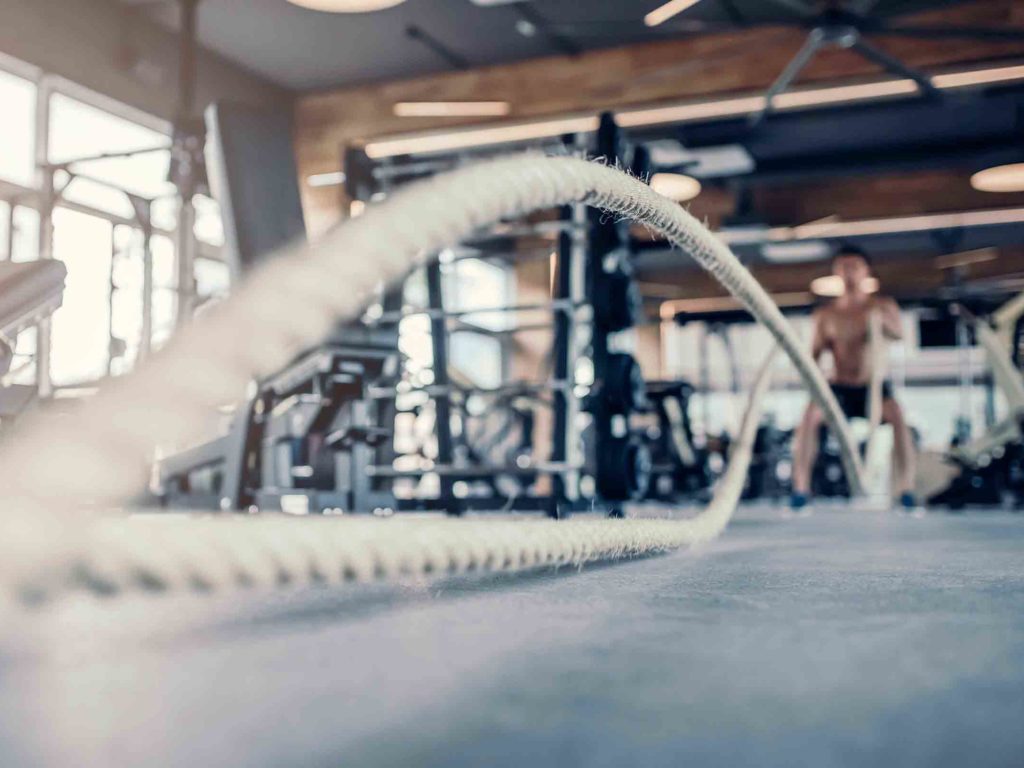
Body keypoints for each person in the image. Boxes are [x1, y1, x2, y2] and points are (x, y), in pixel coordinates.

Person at [790, 246, 917, 510]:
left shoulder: (882, 306)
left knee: (898, 416)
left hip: (873, 386)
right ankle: (800, 489)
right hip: (839, 387)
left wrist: (881, 322)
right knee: (809, 417)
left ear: (866, 272)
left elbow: (899, 336)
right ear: (836, 272)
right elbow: (813, 355)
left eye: (854, 267)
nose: (849, 273)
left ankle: (906, 488)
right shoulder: (826, 315)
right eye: (843, 267)